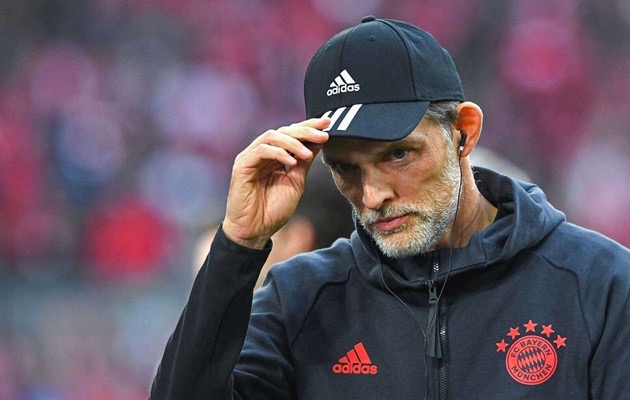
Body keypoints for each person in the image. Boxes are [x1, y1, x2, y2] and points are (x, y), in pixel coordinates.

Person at [149, 17, 629, 399]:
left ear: (463, 132)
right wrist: (238, 242)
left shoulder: (600, 285)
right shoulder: (299, 300)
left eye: (397, 154)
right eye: (346, 167)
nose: (373, 195)